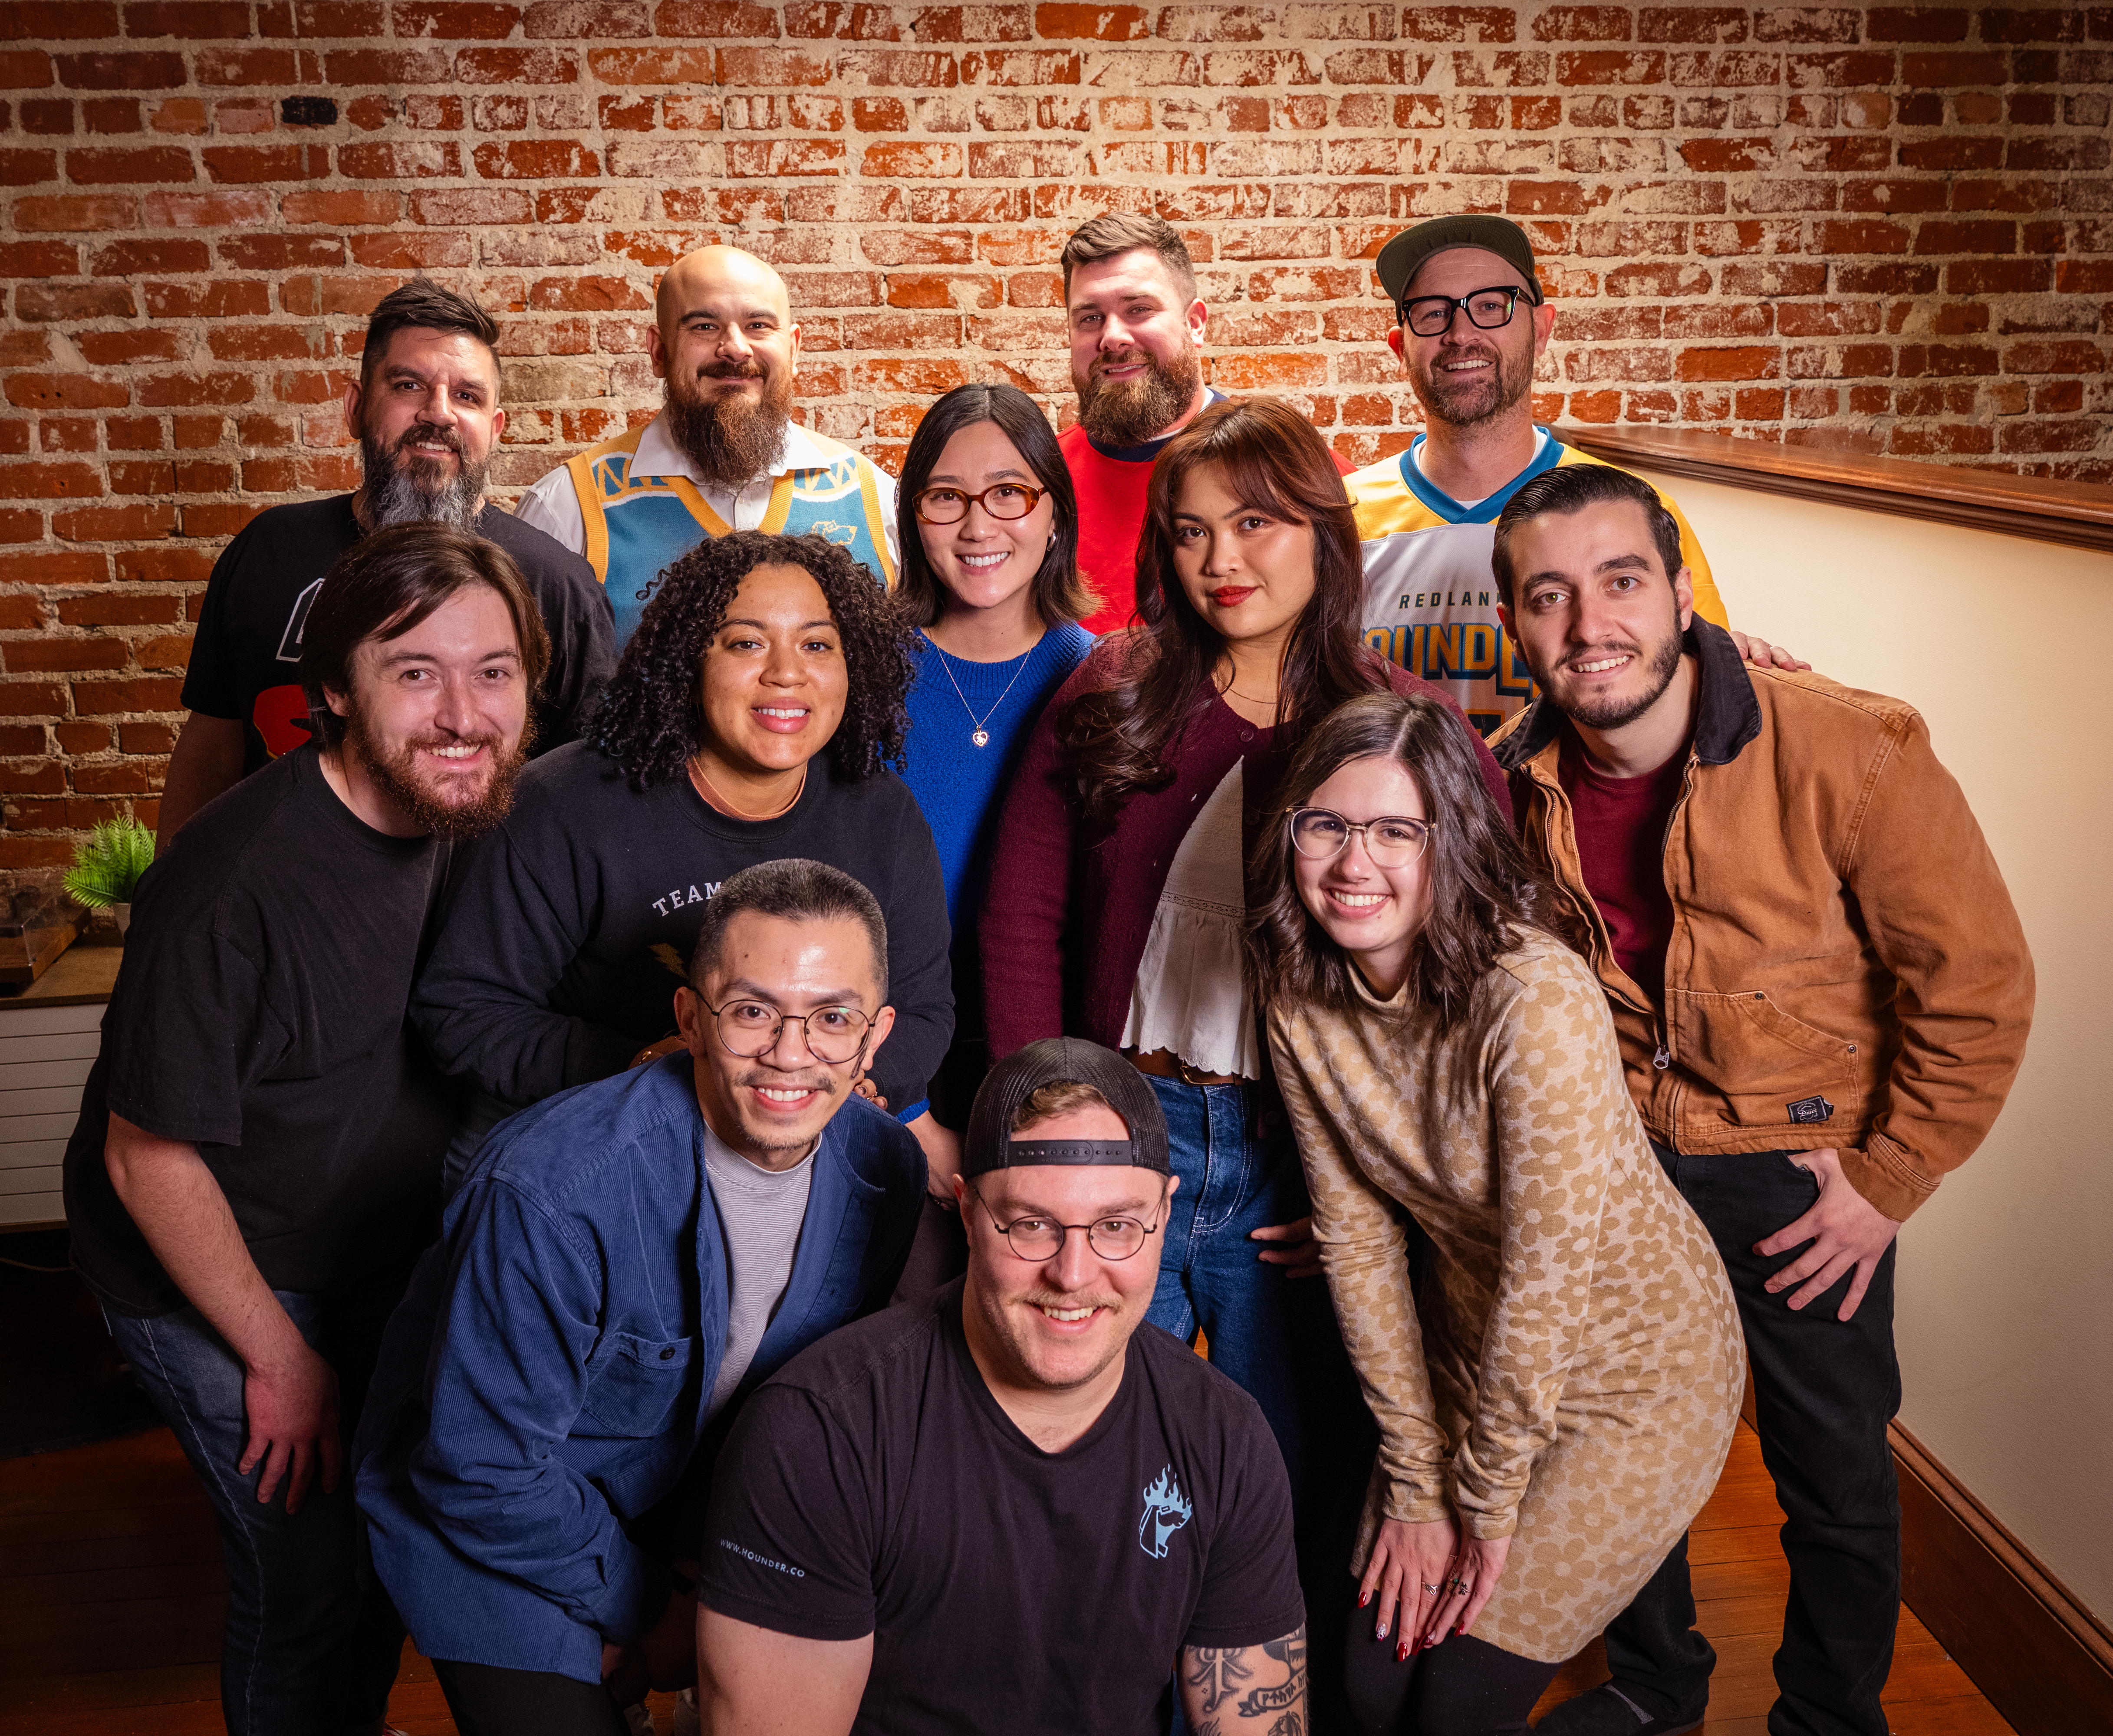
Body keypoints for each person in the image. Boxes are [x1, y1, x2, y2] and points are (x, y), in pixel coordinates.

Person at [981, 394, 1510, 1730]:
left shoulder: (1397, 725)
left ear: (1321, 535)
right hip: (1127, 1132)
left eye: (1257, 523)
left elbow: (1466, 985)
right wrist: (1050, 1143)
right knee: (1097, 1457)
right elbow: (1019, 916)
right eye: (1191, 530)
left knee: (1285, 1469)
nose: (1223, 557)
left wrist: (1364, 1190)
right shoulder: (1109, 690)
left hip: (1301, 1156)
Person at [1485, 463, 2034, 1736]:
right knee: (1614, 1442)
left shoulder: (1846, 743)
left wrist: (1885, 1180)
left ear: (1679, 592)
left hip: (1800, 1181)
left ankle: (1830, 1717)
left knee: (1831, 1471)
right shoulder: (1512, 777)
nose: (1587, 625)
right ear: (1514, 623)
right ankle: (1654, 1682)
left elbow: (1976, 982)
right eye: (1547, 597)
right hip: (1615, 1167)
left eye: (1620, 581)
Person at [60, 525, 547, 1736]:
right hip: (216, 1276)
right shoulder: (234, 883)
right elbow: (146, 1156)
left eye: (493, 672)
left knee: (380, 1551)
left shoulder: (465, 820)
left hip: (355, 1245)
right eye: (414, 671)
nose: (461, 714)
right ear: (332, 691)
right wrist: (279, 1359)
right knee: (307, 1586)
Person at [1249, 689, 1744, 1736]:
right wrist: (1416, 1483)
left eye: (1396, 831)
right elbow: (1358, 1239)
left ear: (1452, 842)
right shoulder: (1295, 992)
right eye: (1328, 824)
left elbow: (1545, 1273)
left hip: (1635, 1375)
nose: (1354, 863)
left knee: (1454, 1702)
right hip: (1474, 1353)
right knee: (1370, 1685)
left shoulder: (1533, 995)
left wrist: (1480, 1507)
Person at [356, 859, 926, 1736]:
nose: (790, 1051)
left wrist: (724, 1581)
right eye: (752, 1010)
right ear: (691, 1018)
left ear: (874, 1034)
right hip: (493, 1527)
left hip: (690, 1508)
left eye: (832, 1017)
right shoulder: (550, 1188)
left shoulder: (886, 1166)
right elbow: (480, 1469)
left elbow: (809, 1403)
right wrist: (648, 1610)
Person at [695, 1036, 1308, 1736]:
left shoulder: (1223, 1435)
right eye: (1030, 1226)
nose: (1073, 1275)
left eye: (1115, 1226)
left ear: (1165, 1216)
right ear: (966, 1210)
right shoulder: (820, 1433)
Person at [411, 529, 954, 1193]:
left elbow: (924, 1010)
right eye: (747, 642)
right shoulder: (566, 806)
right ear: (688, 659)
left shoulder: (883, 815)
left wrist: (840, 1081)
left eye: (817, 644)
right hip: (575, 1132)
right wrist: (651, 1069)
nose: (787, 672)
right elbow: (461, 1008)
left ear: (854, 665)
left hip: (794, 1134)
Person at [157, 278, 615, 844]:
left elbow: (587, 794)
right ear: (355, 408)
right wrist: (170, 891)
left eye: (468, 396)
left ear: (494, 431)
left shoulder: (556, 583)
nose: (438, 413)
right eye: (408, 385)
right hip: (283, 903)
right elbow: (212, 744)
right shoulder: (267, 550)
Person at [1346, 214, 1744, 738]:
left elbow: (1703, 688)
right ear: (1401, 349)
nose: (1461, 333)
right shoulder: (1338, 521)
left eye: (1491, 306)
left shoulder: (1633, 511)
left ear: (1540, 329)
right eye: (1432, 313)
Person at [889, 381, 1097, 1288]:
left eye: (1009, 492)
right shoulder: (861, 671)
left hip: (1050, 1053)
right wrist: (901, 1113)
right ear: (914, 516)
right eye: (946, 496)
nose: (978, 524)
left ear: (1053, 510)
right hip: (887, 1060)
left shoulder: (1102, 678)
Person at [516, 244, 899, 647]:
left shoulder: (876, 500)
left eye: (758, 326)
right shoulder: (567, 508)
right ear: (659, 351)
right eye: (704, 326)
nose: (735, 348)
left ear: (794, 348)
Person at [1058, 213, 1355, 636]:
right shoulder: (1032, 487)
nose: (1113, 337)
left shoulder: (1299, 473)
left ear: (1194, 323)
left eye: (1138, 309)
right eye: (1089, 318)